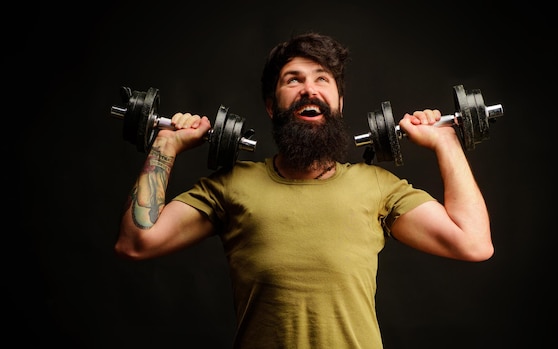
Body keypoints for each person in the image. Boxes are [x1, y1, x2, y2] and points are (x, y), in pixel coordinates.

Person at [115, 32, 494, 348]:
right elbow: (137, 243)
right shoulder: (231, 186)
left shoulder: (377, 186)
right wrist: (165, 144)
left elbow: (473, 243)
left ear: (339, 103)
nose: (308, 89)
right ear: (270, 105)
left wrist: (446, 142)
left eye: (321, 79)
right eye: (293, 80)